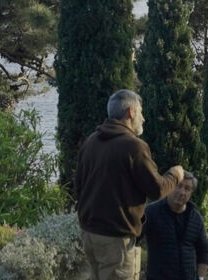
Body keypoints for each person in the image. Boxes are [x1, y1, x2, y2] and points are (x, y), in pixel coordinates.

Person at [75, 89, 185, 280]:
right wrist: (175, 175)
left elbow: (78, 187)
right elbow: (157, 189)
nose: (143, 119)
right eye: (141, 112)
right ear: (131, 113)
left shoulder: (91, 141)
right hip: (115, 239)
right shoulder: (133, 146)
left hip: (90, 235)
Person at [142, 171, 208, 280]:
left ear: (191, 193)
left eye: (187, 188)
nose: (182, 192)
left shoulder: (196, 218)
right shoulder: (151, 212)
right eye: (179, 186)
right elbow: (133, 236)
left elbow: (203, 251)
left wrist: (200, 278)